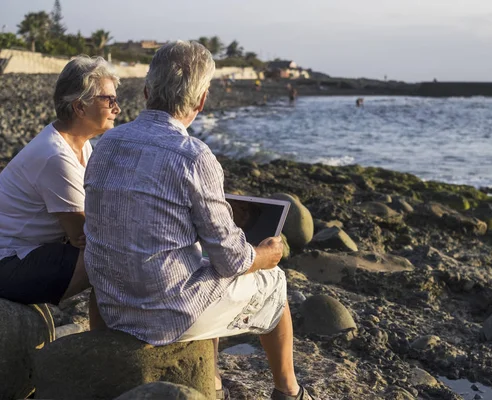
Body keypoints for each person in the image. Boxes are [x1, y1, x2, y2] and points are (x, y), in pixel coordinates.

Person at [84, 40, 313, 400]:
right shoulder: (193, 156)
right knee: (274, 280)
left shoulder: (106, 146)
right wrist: (264, 256)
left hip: (112, 303)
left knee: (199, 264)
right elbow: (232, 260)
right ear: (202, 100)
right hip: (164, 314)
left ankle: (213, 380)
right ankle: (289, 391)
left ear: (146, 91)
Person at [0, 55, 120, 306]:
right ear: (79, 107)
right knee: (109, 258)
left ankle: (103, 336)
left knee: (114, 248)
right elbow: (83, 235)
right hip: (9, 261)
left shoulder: (80, 145)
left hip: (27, 250)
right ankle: (103, 338)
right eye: (109, 100)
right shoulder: (55, 156)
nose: (116, 108)